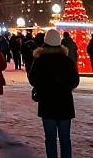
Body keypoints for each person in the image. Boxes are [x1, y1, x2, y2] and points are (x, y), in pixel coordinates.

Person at [29, 29, 80, 158]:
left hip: (47, 103)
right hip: (65, 103)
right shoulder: (66, 60)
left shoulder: (40, 60)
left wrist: (42, 85)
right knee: (65, 139)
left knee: (50, 138)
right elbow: (75, 81)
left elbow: (32, 79)